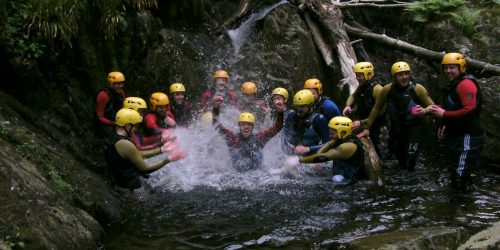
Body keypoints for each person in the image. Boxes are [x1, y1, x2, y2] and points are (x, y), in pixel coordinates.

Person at [356, 61, 434, 171]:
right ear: (394, 76)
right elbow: (376, 109)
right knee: (400, 159)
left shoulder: (417, 88)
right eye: (400, 75)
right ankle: (404, 184)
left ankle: (412, 181)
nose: (404, 77)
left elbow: (433, 106)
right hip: (397, 127)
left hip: (414, 128)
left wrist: (425, 110)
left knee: (411, 159)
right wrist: (367, 128)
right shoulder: (387, 89)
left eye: (406, 74)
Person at [428, 52, 485, 192]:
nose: (448, 71)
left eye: (452, 67)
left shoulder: (466, 84)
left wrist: (444, 114)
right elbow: (451, 107)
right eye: (445, 68)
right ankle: (466, 201)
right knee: (458, 168)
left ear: (461, 68)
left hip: (469, 135)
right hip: (459, 134)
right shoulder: (453, 85)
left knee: (459, 171)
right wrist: (443, 125)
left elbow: (469, 110)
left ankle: (459, 207)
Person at [106, 108, 186, 190]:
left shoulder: (113, 136)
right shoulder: (125, 144)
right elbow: (145, 169)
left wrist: (162, 149)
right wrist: (169, 159)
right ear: (127, 125)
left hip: (119, 181)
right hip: (128, 186)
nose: (135, 129)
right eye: (135, 125)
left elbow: (136, 154)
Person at [212, 95, 285, 171]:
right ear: (239, 126)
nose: (246, 127)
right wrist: (215, 108)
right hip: (237, 174)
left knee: (257, 154)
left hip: (256, 174)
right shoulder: (233, 138)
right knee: (236, 154)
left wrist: (280, 112)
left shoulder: (259, 138)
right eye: (243, 124)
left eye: (249, 124)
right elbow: (217, 126)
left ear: (253, 126)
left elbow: (277, 128)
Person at [288, 117, 366, 183]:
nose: (330, 136)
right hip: (340, 172)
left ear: (343, 132)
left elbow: (324, 157)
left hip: (349, 180)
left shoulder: (348, 146)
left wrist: (299, 160)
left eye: (332, 134)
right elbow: (328, 144)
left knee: (336, 179)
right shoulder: (341, 138)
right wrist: (318, 156)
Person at [343, 62, 385, 154]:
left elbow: (380, 112)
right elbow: (353, 96)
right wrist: (348, 106)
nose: (357, 78)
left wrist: (361, 122)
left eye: (359, 76)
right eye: (356, 75)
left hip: (380, 126)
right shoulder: (363, 86)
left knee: (381, 153)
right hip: (366, 123)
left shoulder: (377, 89)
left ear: (368, 74)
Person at [282, 89, 329, 156]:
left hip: (312, 154)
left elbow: (327, 144)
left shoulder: (320, 119)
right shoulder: (291, 116)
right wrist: (290, 152)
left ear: (311, 105)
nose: (299, 109)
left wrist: (308, 149)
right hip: (294, 153)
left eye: (302, 106)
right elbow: (284, 138)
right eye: (297, 106)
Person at [95, 71, 126, 140]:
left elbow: (123, 109)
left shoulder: (121, 93)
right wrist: (113, 123)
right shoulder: (103, 95)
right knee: (116, 137)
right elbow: (100, 117)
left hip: (116, 122)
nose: (120, 86)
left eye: (121, 83)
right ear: (111, 84)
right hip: (105, 124)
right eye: (117, 84)